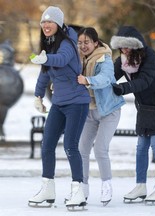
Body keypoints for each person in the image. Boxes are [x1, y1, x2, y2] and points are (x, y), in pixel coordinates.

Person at [28, 6, 90, 209]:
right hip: (59, 102)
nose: (46, 25)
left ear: (59, 24)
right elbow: (45, 73)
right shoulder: (50, 44)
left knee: (71, 146)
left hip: (77, 103)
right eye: (43, 22)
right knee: (47, 145)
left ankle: (78, 191)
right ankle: (48, 190)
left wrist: (45, 58)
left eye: (50, 21)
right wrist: (38, 95)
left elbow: (61, 60)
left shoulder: (68, 42)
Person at [110, 26, 155, 203]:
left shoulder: (150, 57)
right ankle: (141, 186)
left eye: (128, 46)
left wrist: (123, 88)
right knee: (141, 147)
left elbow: (145, 81)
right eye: (122, 47)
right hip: (146, 109)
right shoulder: (123, 61)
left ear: (136, 46)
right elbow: (110, 76)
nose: (124, 50)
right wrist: (93, 82)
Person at [76, 27, 125, 206]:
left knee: (100, 149)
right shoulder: (78, 58)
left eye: (87, 42)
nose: (83, 46)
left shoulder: (104, 58)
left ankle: (106, 185)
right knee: (82, 149)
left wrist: (88, 80)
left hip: (109, 110)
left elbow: (106, 78)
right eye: (80, 42)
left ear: (95, 43)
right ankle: (83, 186)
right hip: (90, 110)